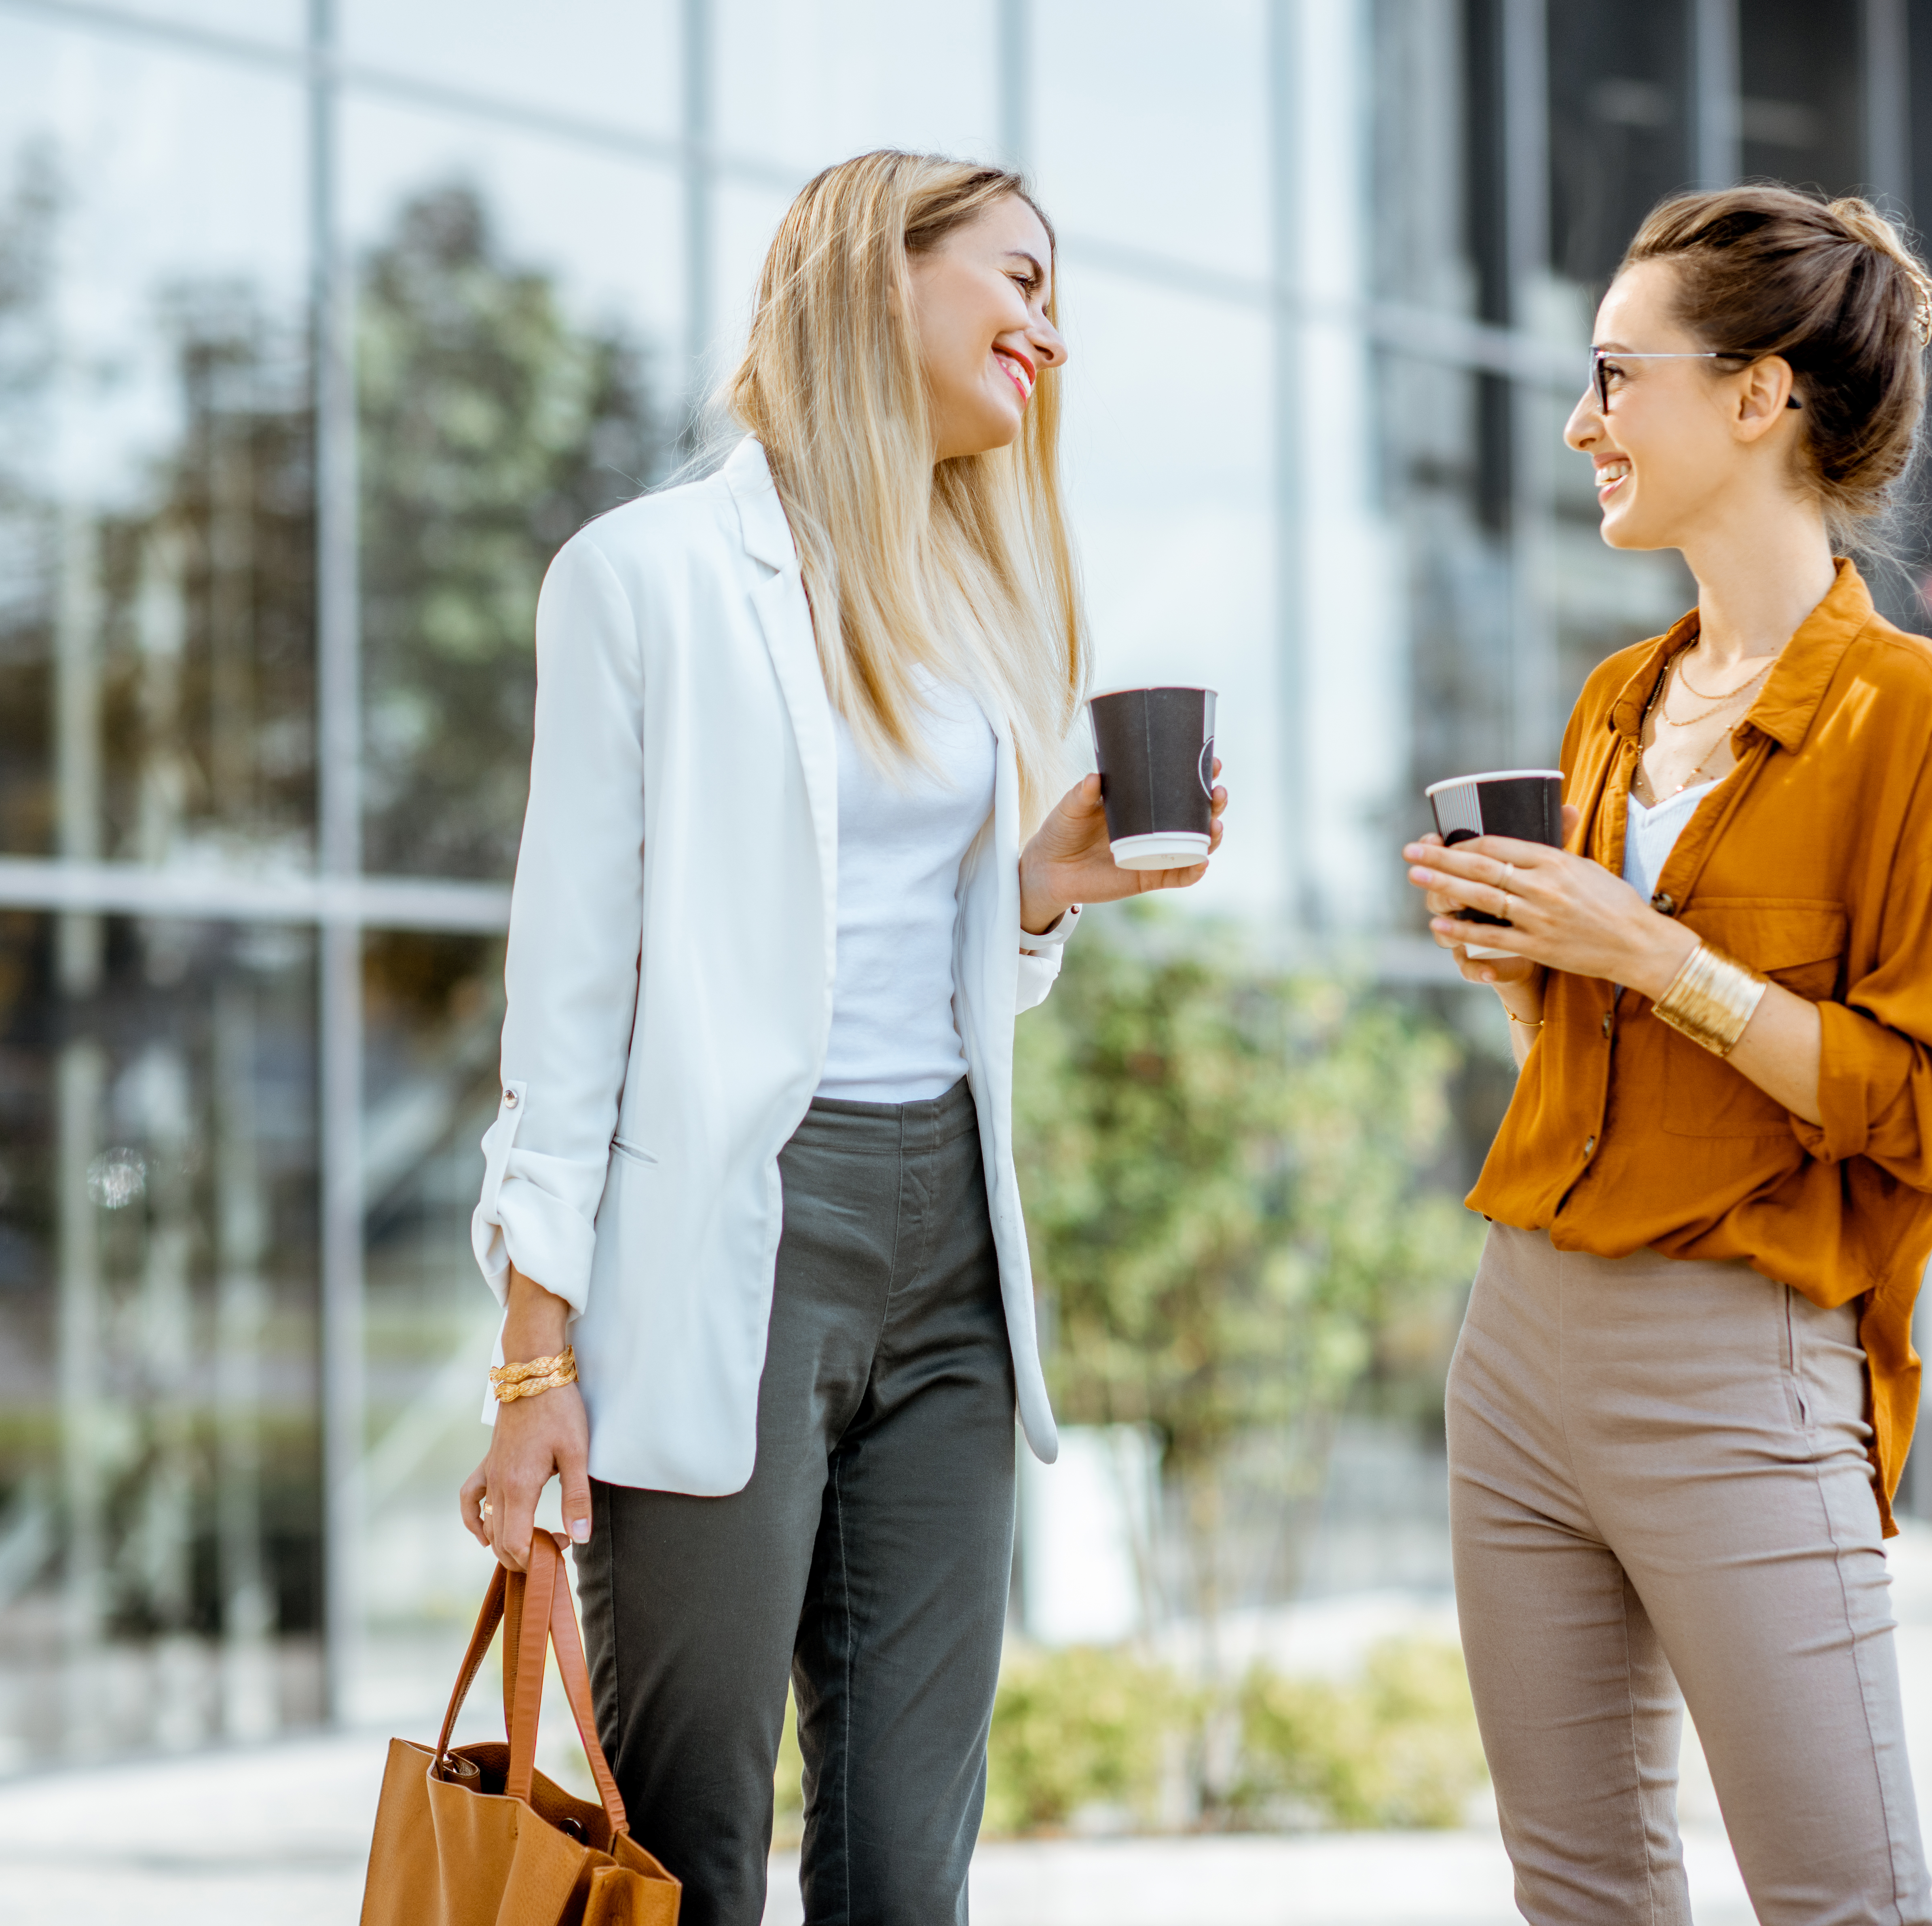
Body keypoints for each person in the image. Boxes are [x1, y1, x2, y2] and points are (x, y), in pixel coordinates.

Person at [457, 151, 1228, 1926]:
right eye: (1018, 279)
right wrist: (532, 1357)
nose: (1047, 327)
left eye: (1060, 300)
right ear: (883, 275)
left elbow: (961, 977)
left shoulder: (976, 604)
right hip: (734, 1246)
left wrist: (1037, 895)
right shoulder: (640, 578)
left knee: (907, 1866)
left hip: (954, 1248)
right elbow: (570, 995)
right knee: (690, 1844)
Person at [1404, 186, 1932, 1926]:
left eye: (1617, 372)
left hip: (1742, 1364)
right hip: (1518, 1345)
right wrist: (1534, 976)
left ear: (1760, 398)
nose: (1583, 419)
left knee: (1842, 1899)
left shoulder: (1913, 716)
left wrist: (1654, 957)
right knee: (1579, 1891)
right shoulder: (1615, 699)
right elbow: (1610, 1054)